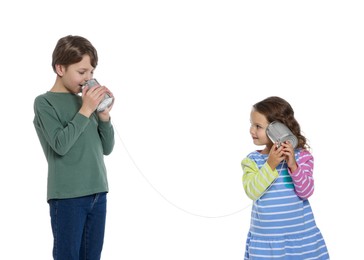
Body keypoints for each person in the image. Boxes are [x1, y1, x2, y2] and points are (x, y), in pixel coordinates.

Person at [33, 35, 115, 260]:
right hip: (68, 197)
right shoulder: (44, 102)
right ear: (60, 68)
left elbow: (107, 148)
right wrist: (86, 110)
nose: (87, 79)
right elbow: (60, 145)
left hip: (98, 192)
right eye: (81, 72)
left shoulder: (85, 102)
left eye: (91, 73)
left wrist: (104, 117)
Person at [241, 96, 329, 259]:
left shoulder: (302, 157)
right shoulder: (252, 161)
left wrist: (293, 166)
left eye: (258, 126)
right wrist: (270, 165)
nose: (251, 130)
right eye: (251, 124)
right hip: (267, 242)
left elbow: (306, 192)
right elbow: (252, 191)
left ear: (278, 129)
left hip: (301, 240)